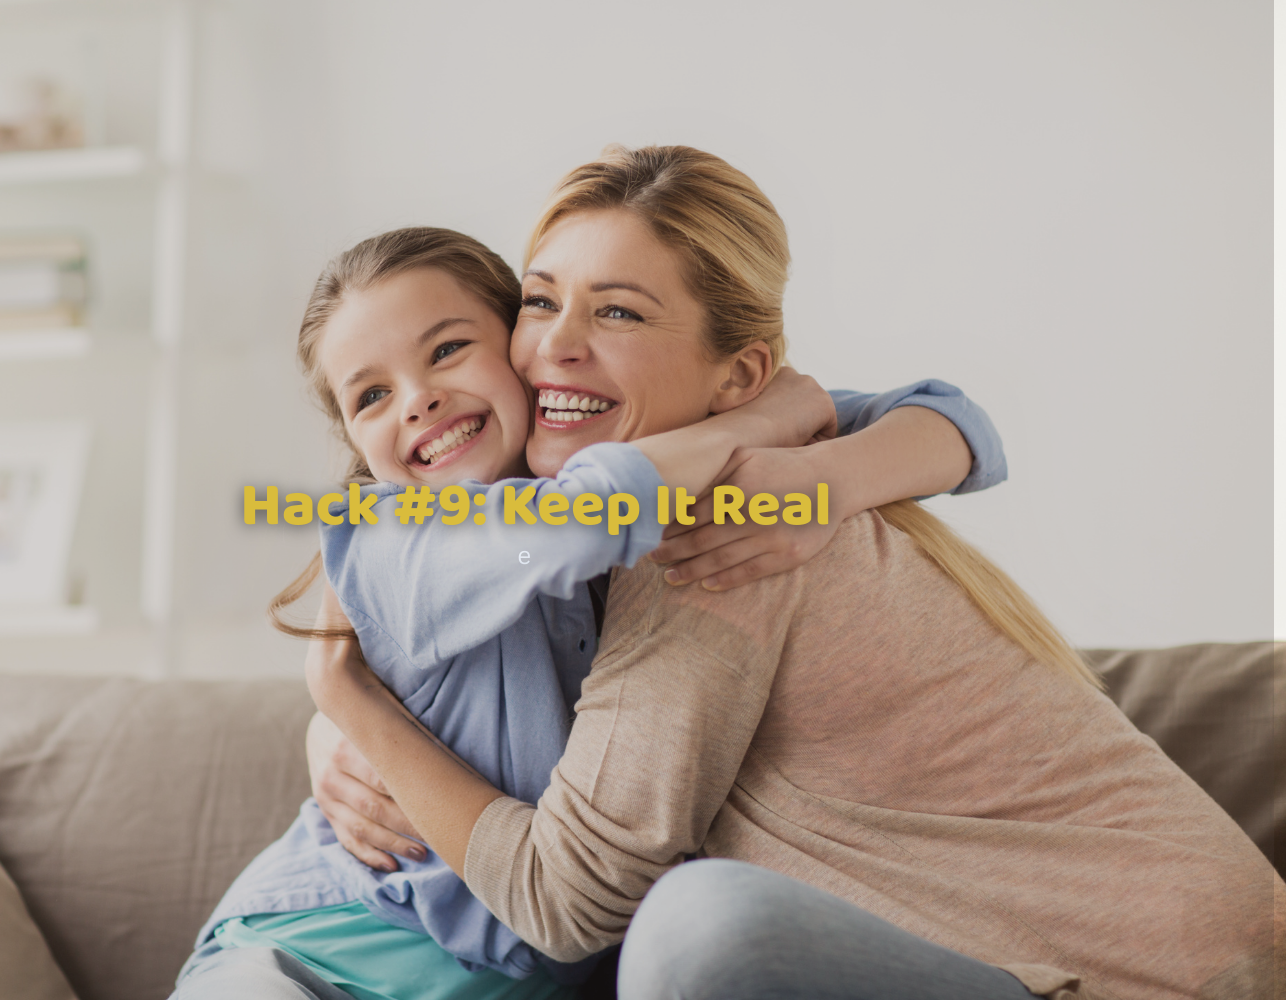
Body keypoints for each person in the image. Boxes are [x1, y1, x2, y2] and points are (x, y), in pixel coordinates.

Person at [305, 145, 1284, 1000]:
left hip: (1151, 972)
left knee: (701, 927)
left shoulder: (728, 533)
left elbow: (562, 902)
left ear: (737, 376)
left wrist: (352, 702)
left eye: (619, 313)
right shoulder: (696, 476)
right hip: (1029, 957)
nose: (557, 344)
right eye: (541, 300)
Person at [173, 217, 1008, 1000]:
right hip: (317, 955)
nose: (418, 400)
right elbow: (577, 526)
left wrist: (828, 474)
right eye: (371, 398)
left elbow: (954, 421)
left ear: (522, 353)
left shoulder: (601, 468)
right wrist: (764, 419)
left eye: (450, 349)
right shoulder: (393, 538)